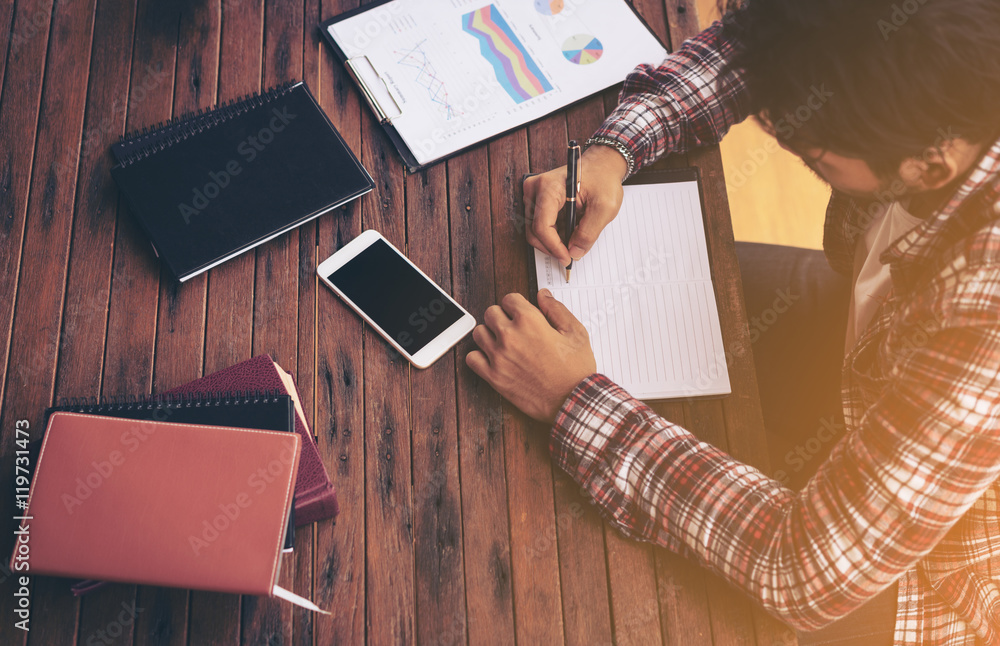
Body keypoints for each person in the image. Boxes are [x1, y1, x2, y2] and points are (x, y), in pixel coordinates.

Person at [465, 0, 1000, 644]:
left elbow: (804, 571)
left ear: (929, 166)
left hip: (924, 585)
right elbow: (765, 45)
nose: (791, 139)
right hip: (864, 344)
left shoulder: (984, 316)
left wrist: (574, 402)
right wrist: (615, 149)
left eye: (816, 157)